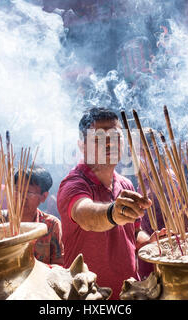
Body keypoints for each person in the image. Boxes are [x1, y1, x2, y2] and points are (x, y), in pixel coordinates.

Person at [57, 107, 157, 300]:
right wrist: (112, 213)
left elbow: (134, 233)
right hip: (88, 296)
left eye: (115, 136)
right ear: (82, 146)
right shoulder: (74, 184)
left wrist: (149, 242)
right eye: (99, 139)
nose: (109, 144)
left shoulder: (125, 184)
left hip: (128, 292)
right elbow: (85, 214)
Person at [15, 166, 64, 265]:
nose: (21, 197)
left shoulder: (51, 225)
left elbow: (58, 265)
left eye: (28, 192)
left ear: (43, 197)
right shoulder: (0, 220)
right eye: (17, 190)